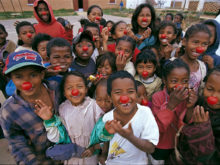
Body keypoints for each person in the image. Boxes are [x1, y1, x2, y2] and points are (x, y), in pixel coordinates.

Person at [0, 50, 59, 164]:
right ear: (11, 78)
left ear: (42, 75)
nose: (26, 82)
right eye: (18, 76)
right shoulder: (9, 111)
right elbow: (18, 146)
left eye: (33, 75)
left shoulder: (56, 89)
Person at [35, 71, 104, 165]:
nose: (75, 91)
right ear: (64, 93)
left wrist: (95, 147)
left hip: (90, 157)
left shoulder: (94, 106)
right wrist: (49, 120)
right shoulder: (62, 109)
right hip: (71, 158)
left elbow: (103, 132)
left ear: (86, 89)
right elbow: (59, 136)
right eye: (69, 88)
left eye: (79, 86)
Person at [93, 71, 159, 164]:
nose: (125, 97)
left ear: (136, 94)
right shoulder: (107, 117)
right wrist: (103, 155)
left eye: (130, 91)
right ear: (110, 97)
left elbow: (151, 148)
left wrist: (130, 137)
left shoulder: (145, 113)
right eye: (118, 92)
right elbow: (106, 141)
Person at [168, 67, 220, 164]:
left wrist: (203, 129)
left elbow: (209, 158)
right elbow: (188, 124)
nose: (214, 96)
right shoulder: (200, 102)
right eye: (209, 89)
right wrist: (190, 108)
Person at [151, 59, 197, 164]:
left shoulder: (188, 96)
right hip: (162, 145)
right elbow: (157, 128)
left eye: (184, 81)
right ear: (164, 81)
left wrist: (190, 107)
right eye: (174, 81)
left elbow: (189, 124)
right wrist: (171, 105)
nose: (180, 86)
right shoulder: (157, 97)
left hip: (180, 145)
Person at [179, 24, 210, 93]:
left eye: (204, 44)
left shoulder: (202, 67)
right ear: (184, 42)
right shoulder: (172, 63)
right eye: (195, 42)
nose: (199, 48)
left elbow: (200, 91)